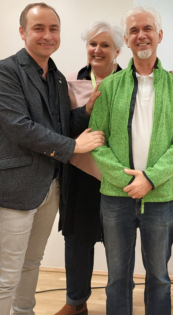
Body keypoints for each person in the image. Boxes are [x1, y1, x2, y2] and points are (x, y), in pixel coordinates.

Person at [0, 3, 105, 315]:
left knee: (31, 263)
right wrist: (73, 146)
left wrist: (87, 110)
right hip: (15, 188)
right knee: (6, 275)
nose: (47, 35)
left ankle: (24, 312)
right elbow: (21, 128)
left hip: (50, 187)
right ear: (22, 32)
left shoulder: (57, 78)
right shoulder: (5, 72)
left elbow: (59, 124)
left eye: (54, 29)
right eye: (39, 28)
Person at [89, 6, 173, 315]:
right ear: (126, 39)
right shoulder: (109, 87)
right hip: (116, 196)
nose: (141, 35)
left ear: (159, 35)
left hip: (160, 197)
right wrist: (128, 181)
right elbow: (96, 140)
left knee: (159, 277)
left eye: (147, 28)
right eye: (133, 30)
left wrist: (150, 179)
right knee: (117, 277)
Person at [56, 21, 124, 315]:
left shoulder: (132, 82)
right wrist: (86, 111)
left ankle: (119, 305)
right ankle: (76, 303)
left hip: (118, 176)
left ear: (117, 51)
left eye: (105, 45)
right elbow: (62, 129)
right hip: (80, 175)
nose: (97, 50)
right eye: (92, 44)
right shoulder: (70, 81)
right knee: (77, 243)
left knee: (119, 247)